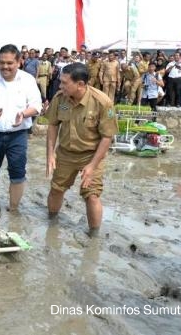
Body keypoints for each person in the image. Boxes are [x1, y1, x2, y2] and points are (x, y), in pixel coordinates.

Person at [45, 62, 118, 238]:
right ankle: (51, 223)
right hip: (65, 154)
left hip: (91, 155)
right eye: (60, 82)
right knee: (56, 188)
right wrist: (50, 154)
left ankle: (94, 236)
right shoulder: (59, 99)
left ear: (80, 84)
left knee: (91, 195)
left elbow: (107, 137)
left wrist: (92, 166)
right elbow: (53, 126)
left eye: (64, 82)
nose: (60, 86)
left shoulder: (102, 102)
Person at [0, 44, 42, 212]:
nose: (5, 67)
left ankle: (13, 210)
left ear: (19, 62)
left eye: (10, 63)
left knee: (18, 173)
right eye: (2, 62)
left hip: (18, 135)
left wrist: (24, 114)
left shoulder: (28, 80)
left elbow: (36, 105)